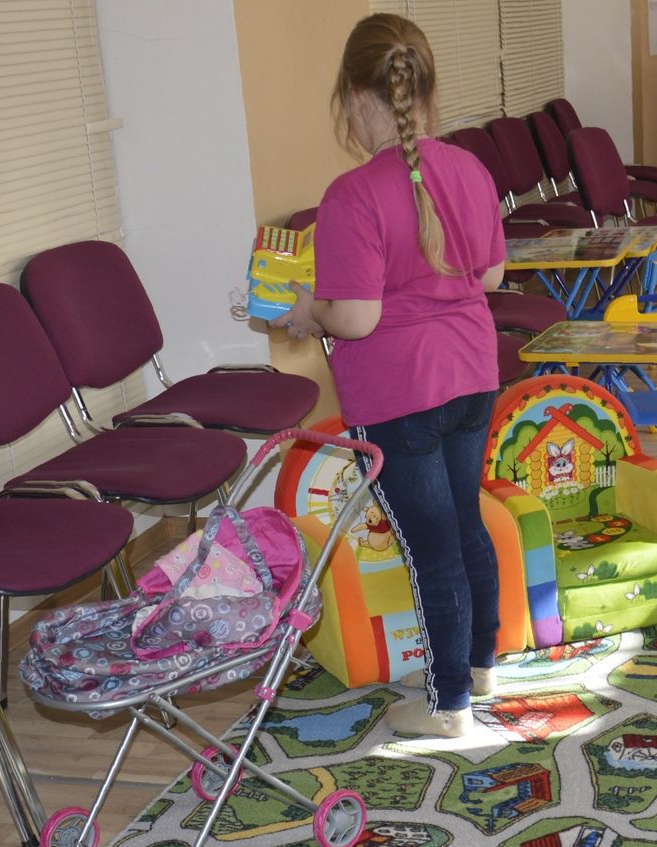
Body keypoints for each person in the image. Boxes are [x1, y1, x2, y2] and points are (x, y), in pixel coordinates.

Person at [276, 13, 505, 738]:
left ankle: (447, 705)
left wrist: (309, 311)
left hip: (401, 394)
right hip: (472, 374)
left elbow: (358, 317)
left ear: (352, 97)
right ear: (426, 92)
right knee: (465, 524)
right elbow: (491, 275)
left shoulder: (352, 194)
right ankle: (479, 665)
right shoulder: (469, 168)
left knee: (430, 546)